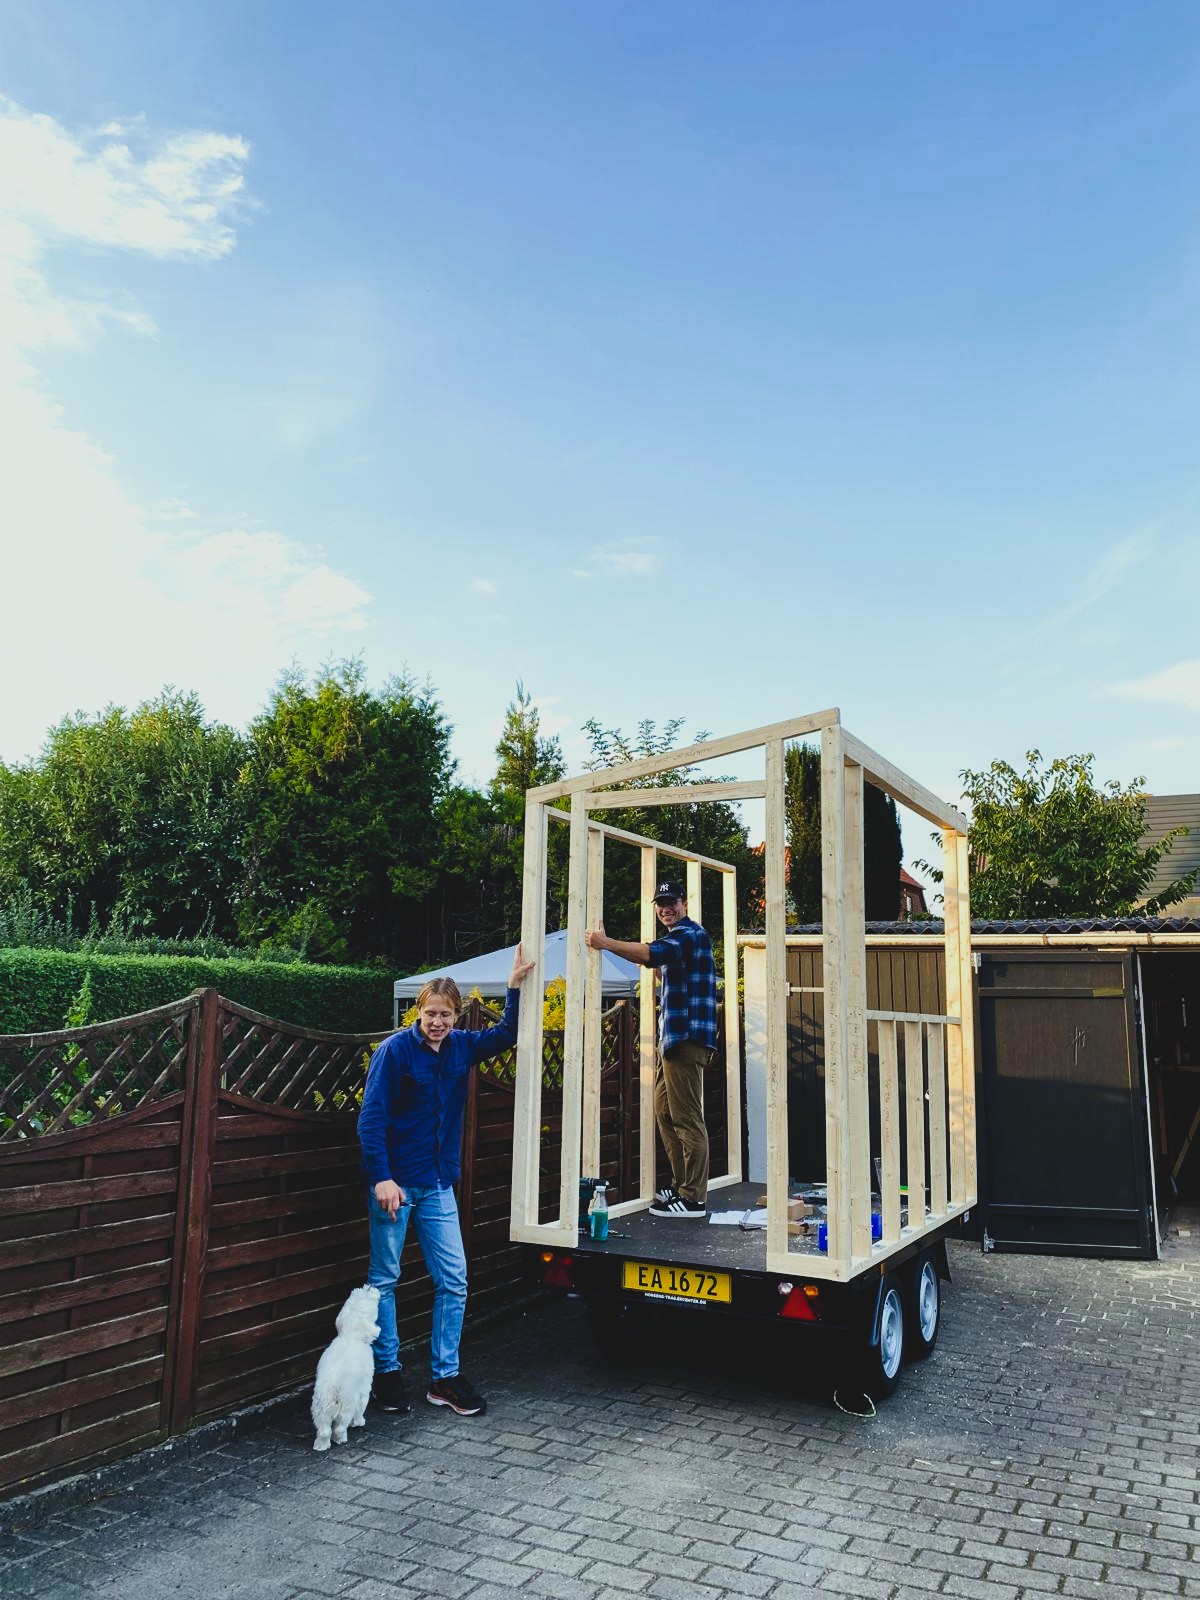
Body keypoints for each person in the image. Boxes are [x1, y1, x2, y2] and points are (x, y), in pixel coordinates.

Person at [357, 942, 535, 1416]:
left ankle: (445, 1378)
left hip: (437, 1184)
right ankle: (388, 1374)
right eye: (431, 1013)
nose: (438, 1022)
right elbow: (371, 1119)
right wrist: (381, 1178)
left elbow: (507, 1033)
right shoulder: (394, 1052)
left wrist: (513, 986)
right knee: (385, 1280)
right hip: (394, 1186)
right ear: (419, 1011)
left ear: (457, 1018)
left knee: (454, 1280)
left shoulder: (460, 1048)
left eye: (447, 1015)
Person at [585, 880, 717, 1218]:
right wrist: (649, 964)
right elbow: (661, 969)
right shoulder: (680, 941)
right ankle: (681, 1185)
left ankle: (692, 1198)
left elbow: (651, 953)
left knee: (687, 1118)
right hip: (673, 1040)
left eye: (671, 902)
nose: (665, 909)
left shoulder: (689, 933)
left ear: (684, 903)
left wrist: (604, 943)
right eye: (660, 904)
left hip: (686, 1039)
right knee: (663, 1111)